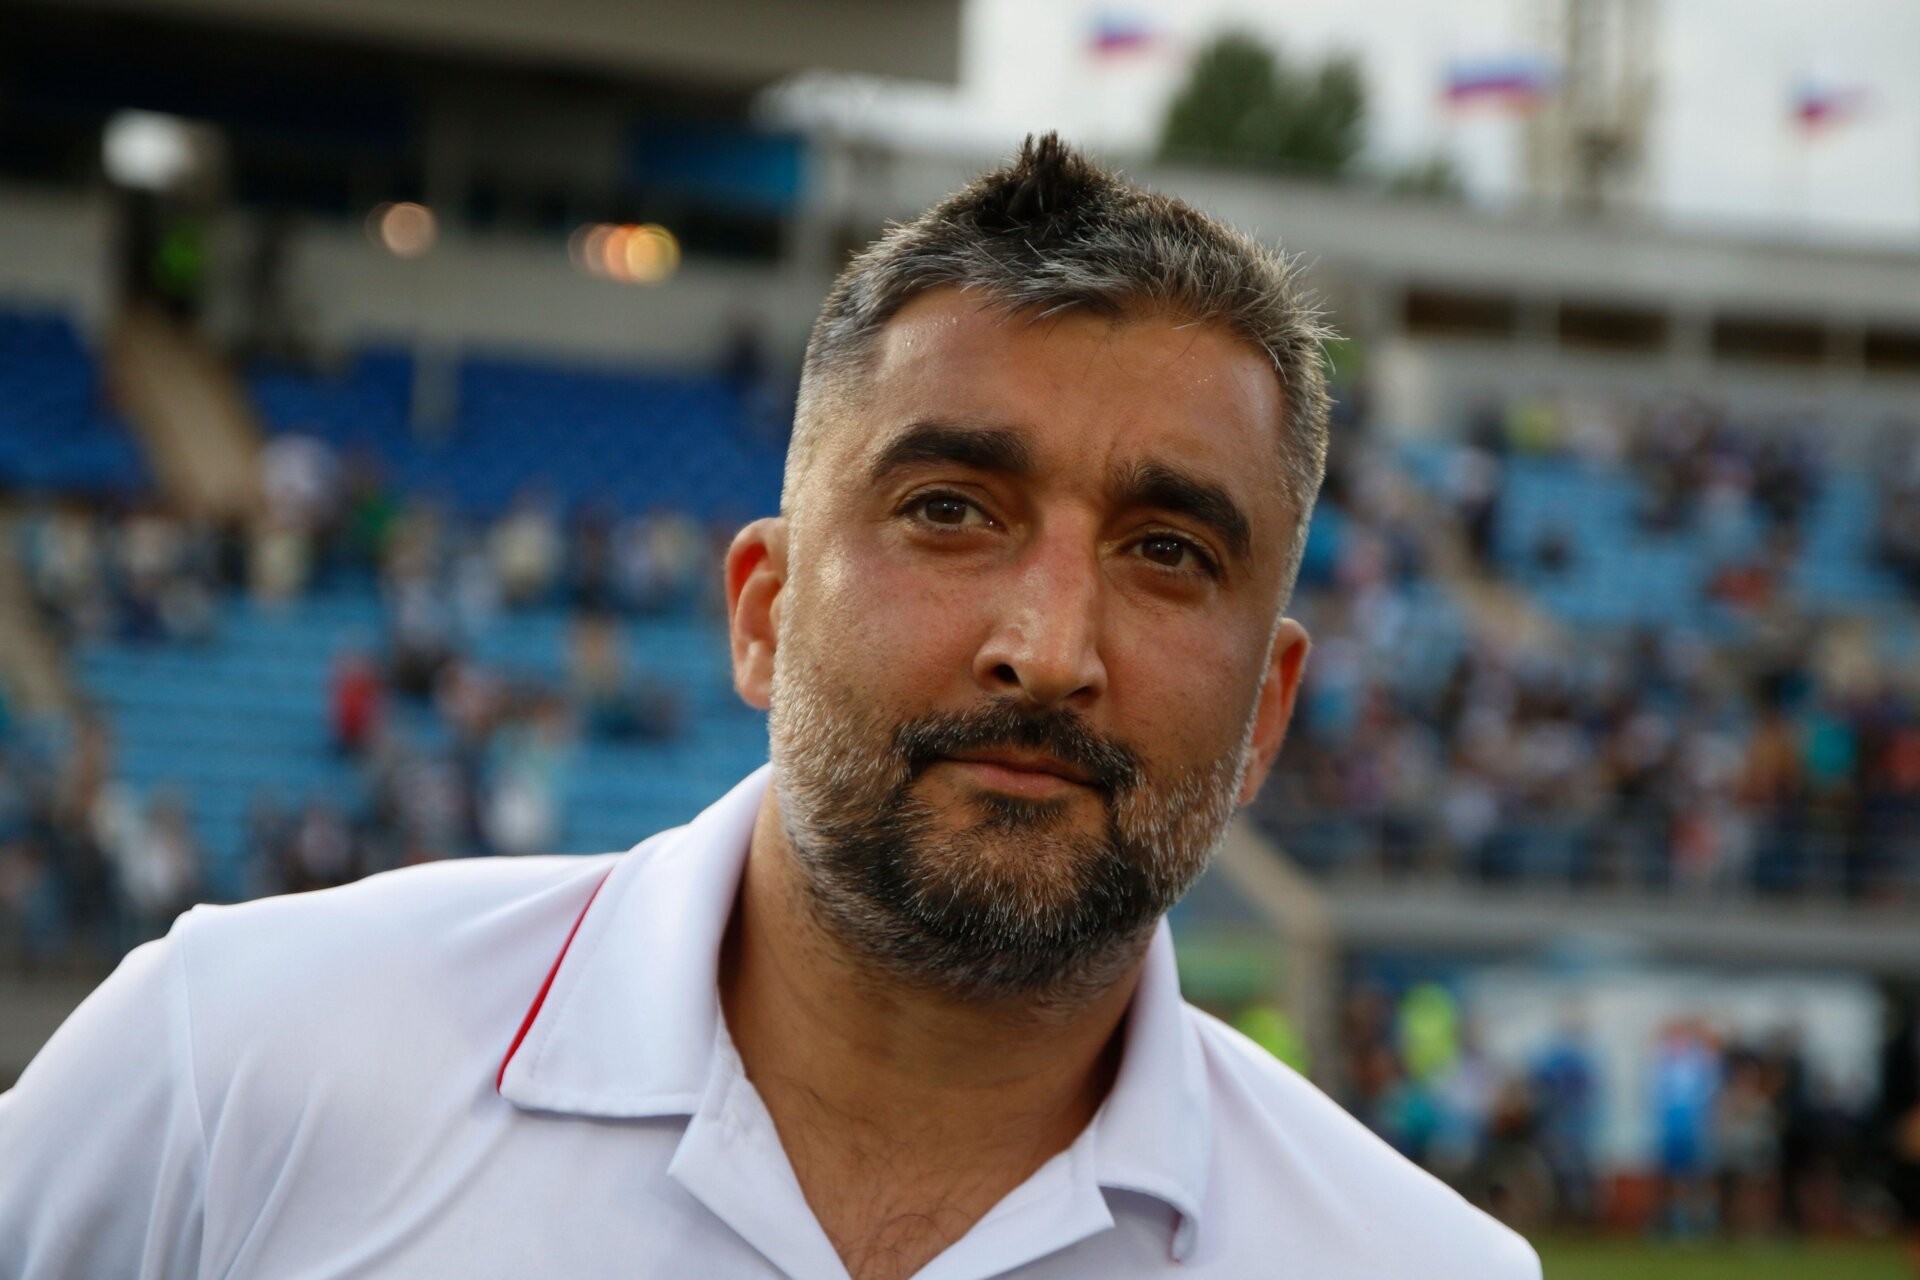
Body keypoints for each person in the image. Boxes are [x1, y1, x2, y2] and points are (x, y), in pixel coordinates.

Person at [0, 135, 1538, 1279]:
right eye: (950, 511)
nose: (1049, 647)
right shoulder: (236, 1065)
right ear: (764, 611)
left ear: (1267, 715)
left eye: (1167, 552)